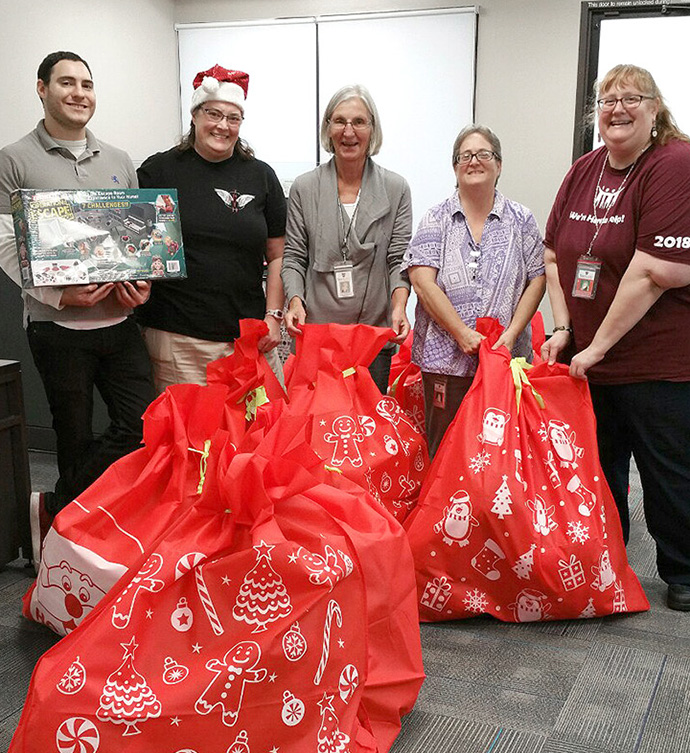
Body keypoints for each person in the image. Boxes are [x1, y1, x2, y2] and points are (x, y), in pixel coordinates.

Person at [542, 64, 690, 612]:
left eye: (632, 98)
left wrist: (596, 345)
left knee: (667, 472)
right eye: (607, 100)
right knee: (600, 473)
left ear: (655, 110)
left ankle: (683, 570)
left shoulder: (674, 164)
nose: (618, 109)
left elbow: (657, 270)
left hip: (659, 362)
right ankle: (610, 558)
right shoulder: (585, 169)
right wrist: (563, 329)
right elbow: (555, 253)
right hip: (590, 362)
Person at [0, 51, 156, 564]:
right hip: (57, 328)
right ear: (41, 88)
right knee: (72, 435)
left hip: (120, 322)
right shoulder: (14, 159)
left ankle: (55, 504)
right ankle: (73, 550)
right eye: (66, 83)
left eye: (87, 84)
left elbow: (138, 238)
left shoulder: (118, 159)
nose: (79, 93)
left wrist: (142, 285)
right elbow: (5, 243)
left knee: (139, 426)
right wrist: (57, 294)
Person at [136, 65, 287, 392]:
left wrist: (273, 317)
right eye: (213, 114)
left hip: (249, 339)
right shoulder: (158, 171)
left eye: (233, 118)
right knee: (192, 441)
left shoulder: (260, 176)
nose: (222, 125)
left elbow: (277, 255)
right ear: (194, 115)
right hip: (180, 340)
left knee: (264, 434)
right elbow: (138, 247)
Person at [403, 125, 545, 457]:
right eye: (465, 156)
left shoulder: (521, 219)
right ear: (455, 167)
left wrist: (511, 334)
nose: (474, 161)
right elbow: (422, 282)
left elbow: (537, 278)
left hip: (505, 359)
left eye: (484, 154)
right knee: (446, 451)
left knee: (500, 453)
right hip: (445, 362)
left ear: (499, 164)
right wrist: (461, 333)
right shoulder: (436, 218)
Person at [281, 84, 412, 393]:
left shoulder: (396, 189)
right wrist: (295, 301)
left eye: (359, 122)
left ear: (372, 130)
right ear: (328, 129)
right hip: (317, 334)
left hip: (372, 335)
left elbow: (398, 260)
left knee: (366, 432)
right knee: (318, 430)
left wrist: (399, 307)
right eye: (339, 121)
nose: (348, 131)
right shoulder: (304, 188)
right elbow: (294, 257)